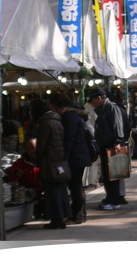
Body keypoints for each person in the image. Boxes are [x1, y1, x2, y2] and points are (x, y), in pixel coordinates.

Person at [49, 92, 92, 224]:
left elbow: (69, 139)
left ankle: (77, 215)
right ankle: (80, 214)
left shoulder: (69, 118)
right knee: (77, 186)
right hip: (80, 155)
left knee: (76, 186)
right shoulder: (73, 115)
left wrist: (65, 158)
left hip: (76, 157)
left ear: (57, 106)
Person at [32, 98, 72, 229]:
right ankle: (62, 217)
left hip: (50, 161)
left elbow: (41, 144)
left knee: (52, 191)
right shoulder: (57, 121)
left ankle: (56, 219)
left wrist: (37, 160)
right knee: (61, 190)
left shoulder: (45, 123)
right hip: (59, 160)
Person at [90, 88, 125, 210]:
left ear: (99, 98)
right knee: (106, 175)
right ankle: (110, 198)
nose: (93, 103)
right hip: (104, 146)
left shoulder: (111, 107)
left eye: (93, 100)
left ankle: (114, 200)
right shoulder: (102, 110)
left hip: (112, 146)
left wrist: (117, 141)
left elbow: (117, 124)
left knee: (113, 175)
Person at [6, 137, 44, 218]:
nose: (31, 151)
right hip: (27, 190)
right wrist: (16, 173)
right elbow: (11, 172)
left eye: (33, 148)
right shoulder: (21, 161)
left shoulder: (44, 159)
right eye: (28, 149)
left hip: (42, 190)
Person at [82, 97, 101, 189]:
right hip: (91, 137)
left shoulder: (93, 108)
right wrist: (95, 134)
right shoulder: (87, 108)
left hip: (94, 136)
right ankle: (91, 181)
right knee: (94, 160)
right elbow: (88, 123)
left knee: (96, 161)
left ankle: (93, 180)